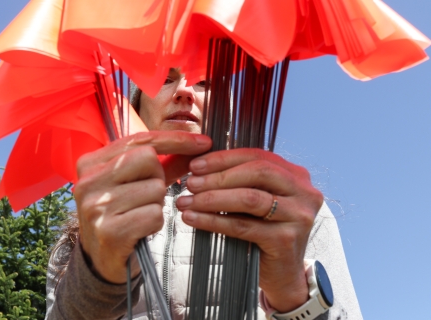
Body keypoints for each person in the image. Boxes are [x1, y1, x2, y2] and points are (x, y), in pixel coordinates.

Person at [45, 69, 362, 319]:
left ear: (226, 114)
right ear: (136, 110)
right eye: (164, 79)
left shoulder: (291, 211)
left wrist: (294, 294)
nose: (183, 90)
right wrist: (95, 275)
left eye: (205, 81)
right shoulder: (89, 226)